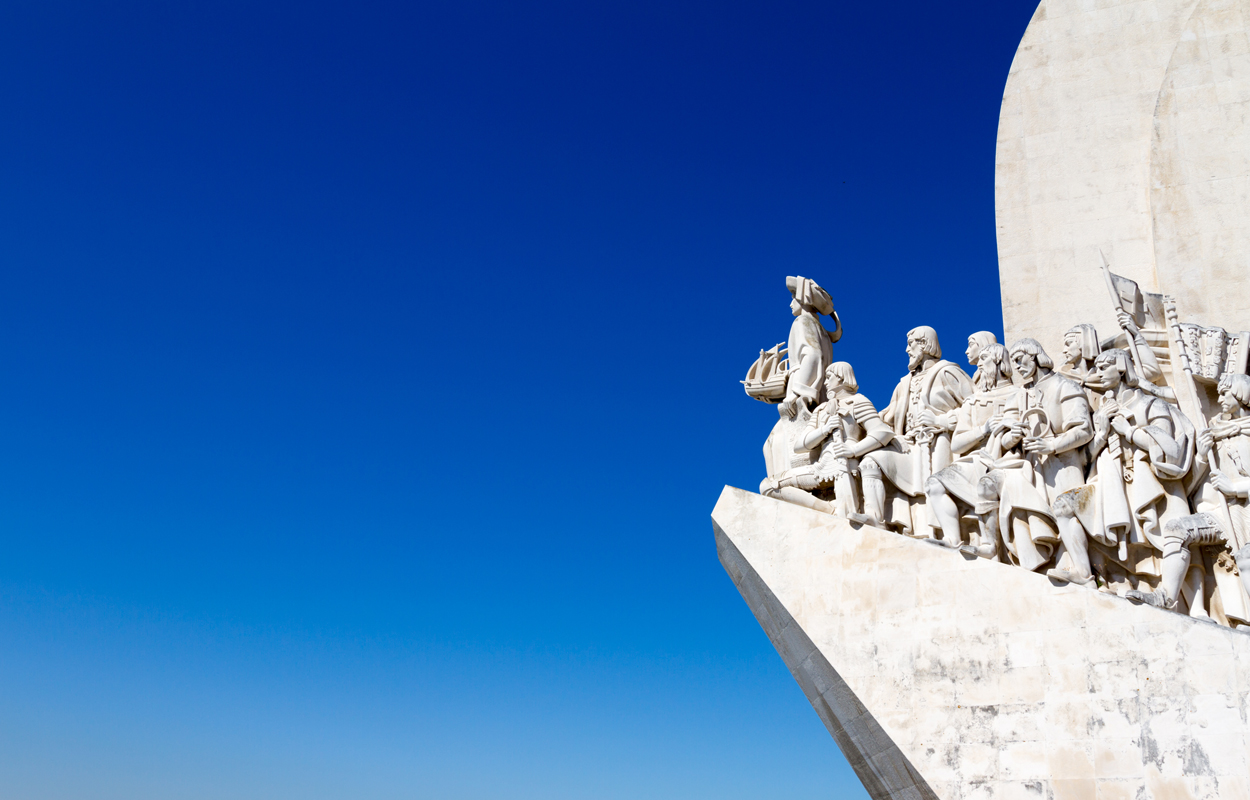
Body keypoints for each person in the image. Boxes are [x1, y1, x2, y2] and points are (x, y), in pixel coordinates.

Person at [1050, 349, 1195, 588]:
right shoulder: (1101, 412)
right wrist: (1102, 433)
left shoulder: (1151, 404)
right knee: (1063, 506)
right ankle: (1084, 574)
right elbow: (1086, 458)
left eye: (1103, 367)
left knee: (1166, 543)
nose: (1098, 374)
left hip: (1146, 482)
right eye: (1096, 368)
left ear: (1121, 368)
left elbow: (1168, 448)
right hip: (1108, 483)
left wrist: (1129, 431)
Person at [1126, 373, 1250, 619]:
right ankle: (1166, 596)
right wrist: (1202, 456)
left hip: (1245, 511)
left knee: (1246, 559)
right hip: (1221, 514)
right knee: (1177, 529)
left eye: (1226, 393)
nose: (1220, 399)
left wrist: (1234, 488)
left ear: (1241, 394)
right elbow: (1191, 485)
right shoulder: (1215, 431)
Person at [978, 338, 1093, 570]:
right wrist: (1013, 436)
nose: (1017, 367)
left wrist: (1052, 445)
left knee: (1065, 511)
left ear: (1035, 356)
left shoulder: (1065, 386)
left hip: (1062, 461)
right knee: (1008, 493)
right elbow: (1004, 440)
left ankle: (1081, 571)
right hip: (1030, 465)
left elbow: (1084, 429)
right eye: (1014, 362)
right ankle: (1036, 563)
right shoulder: (1018, 396)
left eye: (1020, 360)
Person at [857, 327, 973, 533]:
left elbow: (976, 406)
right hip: (909, 446)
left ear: (925, 344)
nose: (907, 350)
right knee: (870, 462)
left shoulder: (947, 372)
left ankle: (945, 534)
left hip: (939, 445)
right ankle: (875, 519)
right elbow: (886, 417)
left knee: (935, 490)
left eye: (911, 344)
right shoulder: (904, 383)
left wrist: (942, 420)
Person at [761, 362, 893, 517]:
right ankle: (829, 509)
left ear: (841, 378)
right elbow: (799, 445)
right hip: (821, 466)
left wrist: (853, 450)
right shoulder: (821, 409)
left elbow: (882, 432)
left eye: (829, 377)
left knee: (847, 513)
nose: (825, 382)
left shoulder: (857, 401)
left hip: (847, 463)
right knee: (769, 486)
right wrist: (825, 429)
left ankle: (842, 510)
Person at [924, 343, 1018, 551]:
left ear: (998, 361)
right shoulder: (973, 402)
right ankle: (952, 539)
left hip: (1011, 458)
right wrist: (983, 429)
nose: (979, 365)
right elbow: (957, 444)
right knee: (934, 484)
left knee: (986, 485)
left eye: (984, 360)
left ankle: (990, 545)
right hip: (978, 458)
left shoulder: (1020, 394)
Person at [777, 276, 841, 421]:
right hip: (821, 389)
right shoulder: (823, 332)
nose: (790, 304)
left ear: (802, 300)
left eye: (793, 298)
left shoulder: (802, 321)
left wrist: (797, 392)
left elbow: (813, 355)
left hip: (803, 388)